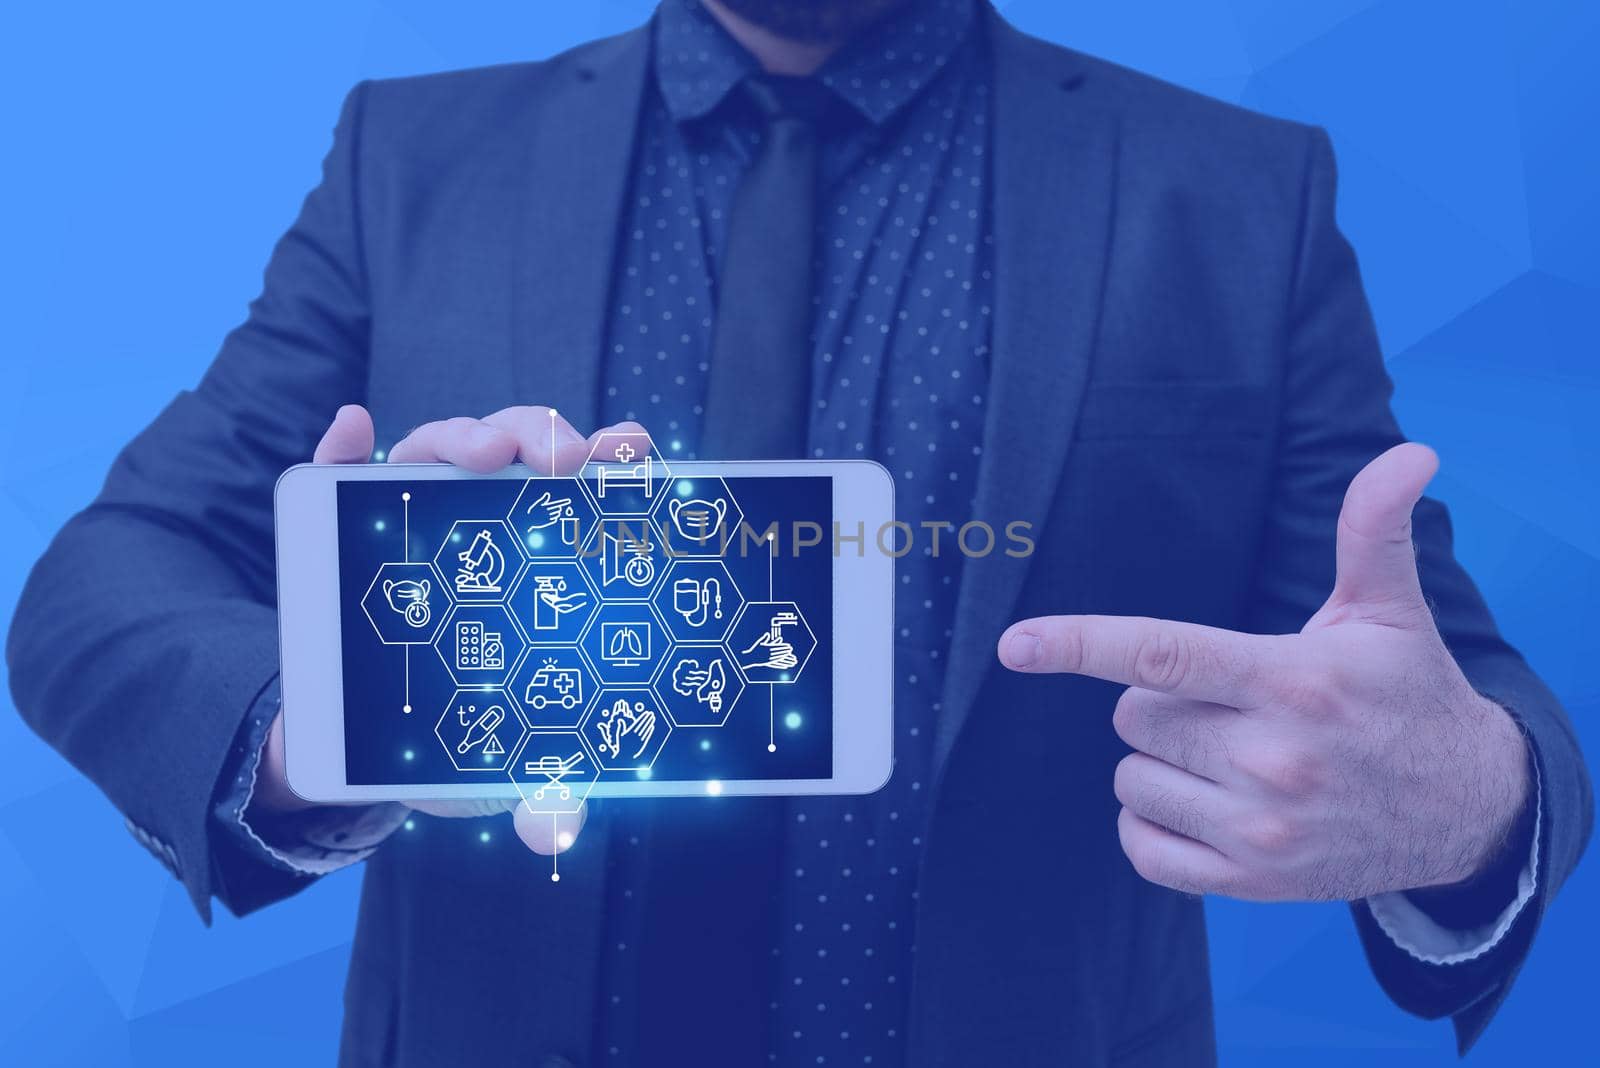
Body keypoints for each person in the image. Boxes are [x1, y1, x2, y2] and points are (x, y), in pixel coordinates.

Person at [8, 1, 1590, 1065]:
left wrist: (1466, 801)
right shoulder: (411, 161)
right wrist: (333, 721)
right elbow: (100, 582)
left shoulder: (1239, 194)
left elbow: (1448, 684)